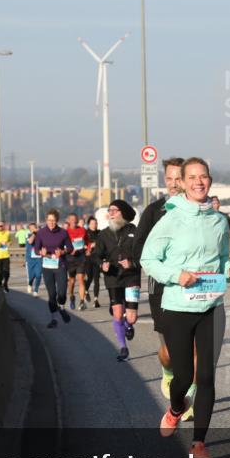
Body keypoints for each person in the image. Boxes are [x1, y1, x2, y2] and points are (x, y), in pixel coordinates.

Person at [140, 158, 230, 458]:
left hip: (212, 306)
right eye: (193, 177)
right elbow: (150, 259)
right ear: (183, 183)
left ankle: (199, 444)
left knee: (207, 376)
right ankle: (175, 408)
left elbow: (223, 259)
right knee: (183, 376)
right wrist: (177, 275)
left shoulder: (219, 221)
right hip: (178, 307)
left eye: (204, 177)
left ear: (210, 181)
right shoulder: (170, 219)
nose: (200, 182)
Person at [133, 158, 186, 398]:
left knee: (192, 346)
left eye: (178, 178)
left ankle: (189, 395)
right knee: (170, 348)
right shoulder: (154, 210)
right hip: (161, 287)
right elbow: (139, 247)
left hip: (191, 287)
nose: (174, 184)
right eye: (170, 179)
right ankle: (168, 371)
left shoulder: (198, 209)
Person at [93, 199, 141, 362]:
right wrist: (102, 265)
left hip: (131, 276)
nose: (111, 213)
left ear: (123, 213)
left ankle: (128, 326)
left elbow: (143, 256)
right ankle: (123, 347)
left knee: (132, 317)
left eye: (114, 210)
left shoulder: (135, 232)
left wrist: (131, 263)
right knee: (118, 313)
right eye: (110, 210)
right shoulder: (104, 234)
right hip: (113, 277)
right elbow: (96, 256)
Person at [32, 210, 73, 328]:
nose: (51, 222)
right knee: (51, 294)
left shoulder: (63, 233)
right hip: (47, 266)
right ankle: (54, 319)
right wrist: (41, 252)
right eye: (49, 220)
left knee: (62, 293)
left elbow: (70, 248)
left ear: (57, 220)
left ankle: (62, 307)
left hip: (60, 265)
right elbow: (36, 249)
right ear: (46, 220)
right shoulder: (41, 233)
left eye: (54, 220)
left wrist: (63, 251)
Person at [66, 214, 90, 310]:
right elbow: (62, 245)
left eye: (75, 220)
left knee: (81, 279)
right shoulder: (65, 232)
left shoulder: (82, 230)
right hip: (70, 258)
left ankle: (82, 301)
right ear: (68, 220)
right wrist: (69, 250)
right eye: (71, 220)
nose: (74, 221)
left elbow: (88, 242)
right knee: (71, 281)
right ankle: (72, 296)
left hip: (81, 257)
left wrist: (88, 249)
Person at [83, 216, 102, 308]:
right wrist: (90, 246)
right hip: (88, 259)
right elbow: (82, 245)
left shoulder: (100, 233)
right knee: (89, 277)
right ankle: (86, 291)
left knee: (97, 279)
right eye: (93, 223)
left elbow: (104, 244)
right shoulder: (85, 233)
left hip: (97, 258)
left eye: (96, 223)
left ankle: (96, 300)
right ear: (89, 224)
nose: (95, 225)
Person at [24, 222, 42, 295]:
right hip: (30, 259)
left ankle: (36, 290)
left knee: (38, 275)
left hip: (39, 258)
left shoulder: (40, 235)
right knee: (31, 276)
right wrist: (34, 233)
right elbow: (31, 241)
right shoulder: (28, 235)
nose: (32, 229)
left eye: (34, 228)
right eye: (31, 228)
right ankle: (30, 283)